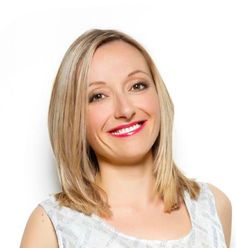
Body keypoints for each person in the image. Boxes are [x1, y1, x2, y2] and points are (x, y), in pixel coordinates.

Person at [20, 28, 232, 248]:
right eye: (98, 96)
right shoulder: (52, 226)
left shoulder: (213, 207)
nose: (125, 109)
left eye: (137, 86)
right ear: (73, 119)